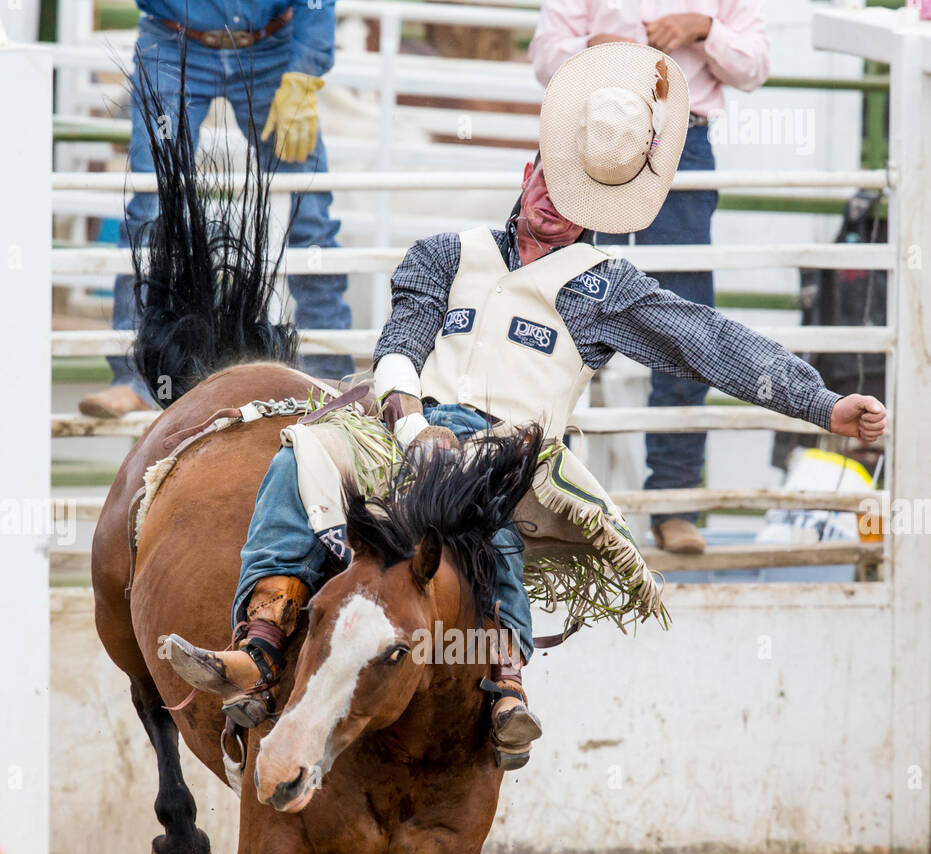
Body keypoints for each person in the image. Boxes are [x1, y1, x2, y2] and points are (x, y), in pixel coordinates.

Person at [167, 44, 885, 767]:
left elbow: (710, 342)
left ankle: (504, 674)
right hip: (402, 424)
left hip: (511, 447)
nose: (551, 203)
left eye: (573, 199)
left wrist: (821, 405)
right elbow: (400, 345)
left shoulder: (607, 289)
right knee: (306, 453)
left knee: (484, 504)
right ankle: (259, 642)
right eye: (548, 183)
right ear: (528, 173)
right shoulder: (445, 253)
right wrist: (412, 423)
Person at [530, 1, 770, 555]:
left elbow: (755, 63)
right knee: (561, 311)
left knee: (681, 322)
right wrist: (595, 54)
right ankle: (546, 494)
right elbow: (546, 56)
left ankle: (674, 499)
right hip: (592, 135)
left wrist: (703, 28)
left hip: (677, 138)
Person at [79, 1, 353, 419]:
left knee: (310, 208)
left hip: (270, 47)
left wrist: (304, 72)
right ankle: (133, 378)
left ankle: (331, 372)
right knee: (149, 206)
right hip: (174, 38)